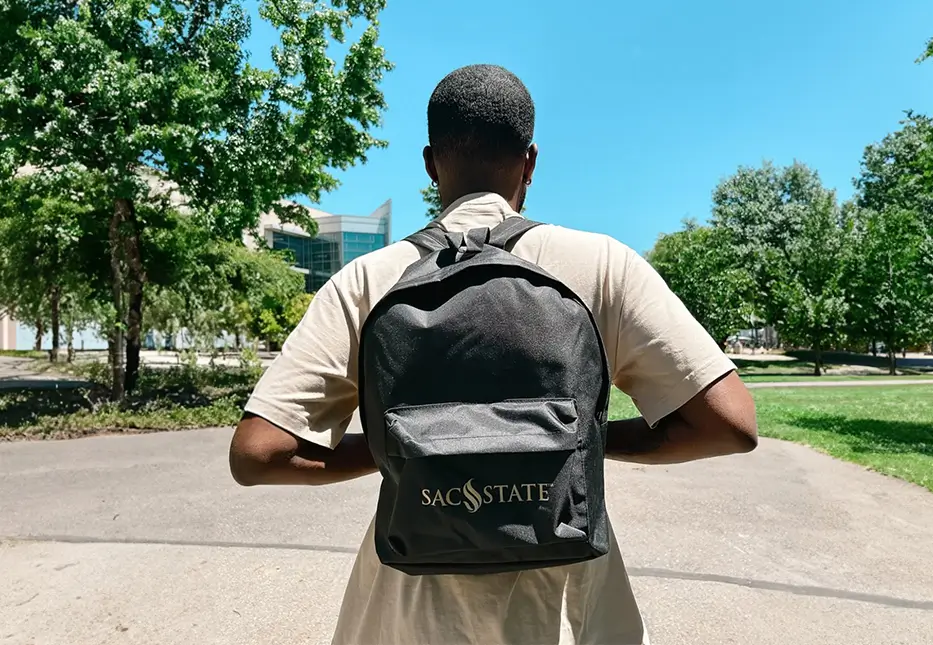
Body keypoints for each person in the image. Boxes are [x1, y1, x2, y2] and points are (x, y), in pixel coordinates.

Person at [229, 64, 758, 645]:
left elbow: (259, 453)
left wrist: (406, 454)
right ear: (530, 161)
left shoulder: (368, 280)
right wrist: (570, 443)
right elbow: (728, 424)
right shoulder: (604, 265)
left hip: (408, 608)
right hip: (566, 603)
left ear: (431, 163)